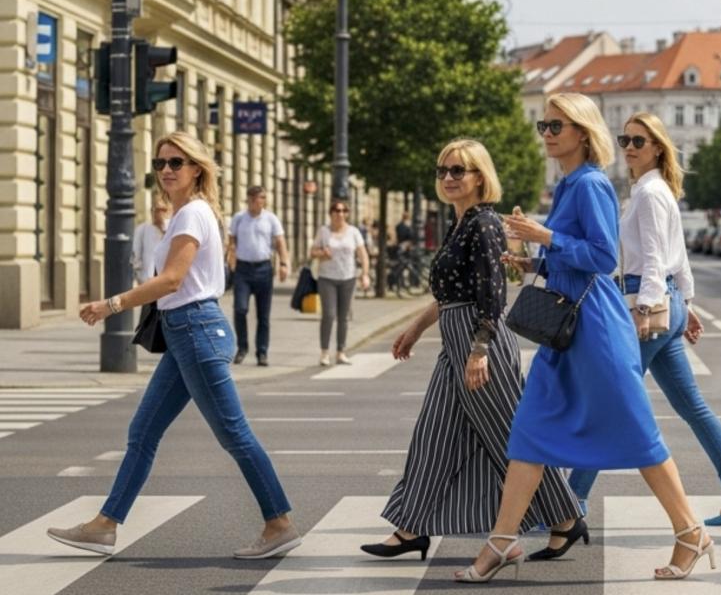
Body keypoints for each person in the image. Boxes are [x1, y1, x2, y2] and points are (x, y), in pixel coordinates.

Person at [455, 93, 712, 583]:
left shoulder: (591, 183)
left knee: (637, 434)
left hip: (593, 326)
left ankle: (691, 531)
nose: (548, 134)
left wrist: (546, 237)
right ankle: (502, 541)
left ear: (582, 132)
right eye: (544, 127)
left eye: (557, 126)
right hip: (566, 329)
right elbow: (576, 257)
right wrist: (534, 261)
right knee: (529, 431)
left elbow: (602, 257)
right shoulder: (569, 184)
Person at [49, 131, 299, 559]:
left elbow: (171, 280)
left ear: (196, 169)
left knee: (234, 435)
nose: (166, 170)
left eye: (176, 163)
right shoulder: (192, 213)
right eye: (161, 163)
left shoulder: (190, 215)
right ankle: (105, 525)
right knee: (142, 432)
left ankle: (278, 522)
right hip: (187, 330)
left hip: (195, 329)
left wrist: (111, 304)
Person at [360, 139, 581, 562]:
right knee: (432, 436)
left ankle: (566, 518)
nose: (448, 178)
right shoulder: (460, 223)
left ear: (481, 176)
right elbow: (449, 294)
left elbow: (492, 294)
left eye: (458, 170)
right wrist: (415, 328)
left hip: (481, 340)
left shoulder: (484, 223)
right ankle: (411, 528)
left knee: (508, 439)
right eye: (442, 170)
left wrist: (479, 350)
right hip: (456, 336)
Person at [566, 112, 721, 527]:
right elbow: (678, 257)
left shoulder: (650, 193)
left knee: (609, 398)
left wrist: (649, 310)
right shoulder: (654, 190)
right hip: (664, 301)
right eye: (625, 139)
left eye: (639, 140)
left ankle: (571, 499)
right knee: (691, 406)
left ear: (657, 147)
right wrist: (685, 306)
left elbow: (654, 259)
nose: (629, 147)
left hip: (646, 301)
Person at [228, 185, 290, 366]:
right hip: (243, 270)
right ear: (248, 199)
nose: (258, 202)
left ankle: (262, 352)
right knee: (240, 309)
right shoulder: (239, 218)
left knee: (263, 315)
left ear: (265, 200)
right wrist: (231, 262)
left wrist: (284, 264)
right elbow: (232, 243)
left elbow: (280, 242)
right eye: (254, 198)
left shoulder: (271, 219)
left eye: (261, 198)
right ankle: (242, 348)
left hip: (264, 269)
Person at [310, 200, 370, 366]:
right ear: (331, 214)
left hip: (348, 278)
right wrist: (322, 252)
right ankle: (324, 352)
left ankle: (341, 352)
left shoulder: (353, 232)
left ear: (347, 213)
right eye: (336, 211)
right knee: (328, 315)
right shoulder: (324, 231)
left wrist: (365, 274)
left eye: (344, 211)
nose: (340, 214)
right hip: (327, 278)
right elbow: (312, 252)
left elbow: (363, 254)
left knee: (343, 317)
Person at [132, 200, 170, 284]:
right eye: (156, 210)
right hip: (147, 279)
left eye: (163, 210)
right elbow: (135, 254)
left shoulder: (171, 228)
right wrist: (139, 276)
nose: (159, 213)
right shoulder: (142, 229)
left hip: (165, 279)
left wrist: (162, 227)